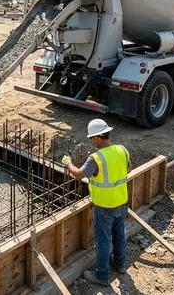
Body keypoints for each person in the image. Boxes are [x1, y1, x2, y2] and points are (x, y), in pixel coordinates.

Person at [61, 119, 131, 286]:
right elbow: (127, 170)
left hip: (104, 206)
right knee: (119, 233)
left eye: (92, 138)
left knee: (103, 240)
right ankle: (120, 265)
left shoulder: (96, 158)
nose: (92, 142)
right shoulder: (122, 150)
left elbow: (78, 175)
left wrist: (68, 163)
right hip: (121, 202)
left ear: (98, 138)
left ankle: (102, 275)